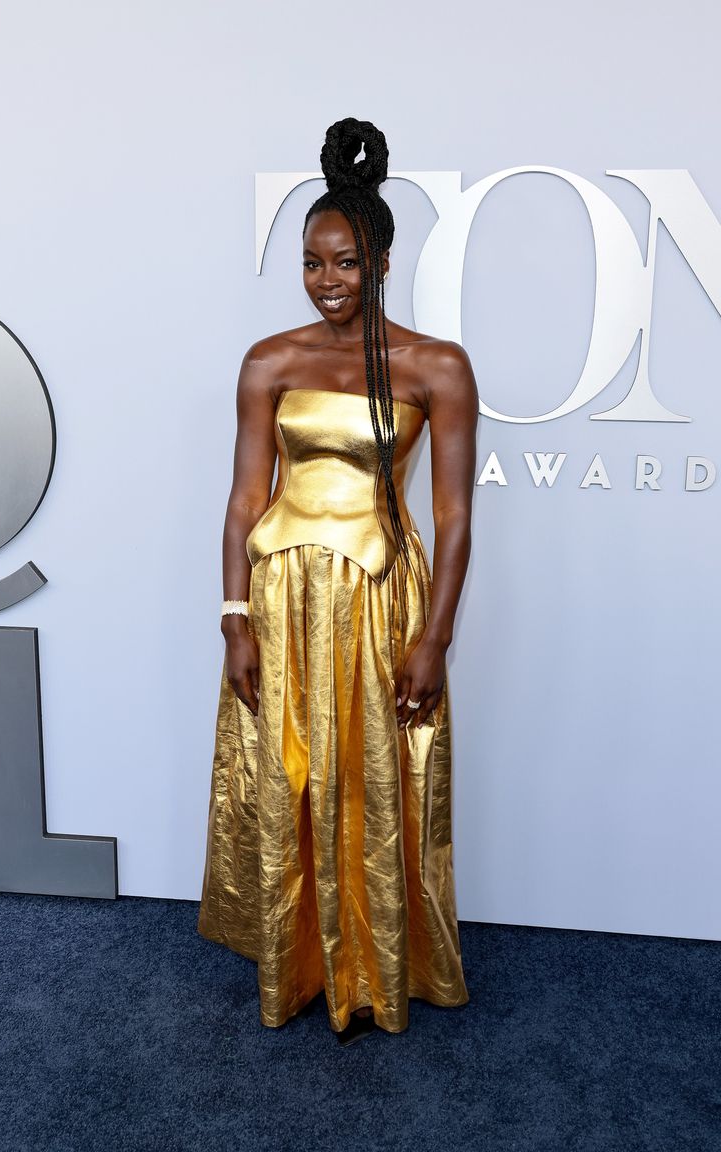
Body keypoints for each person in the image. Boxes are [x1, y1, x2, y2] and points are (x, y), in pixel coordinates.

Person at [198, 117, 478, 1046]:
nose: (328, 282)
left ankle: (371, 966)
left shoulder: (436, 366)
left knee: (374, 780)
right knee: (292, 779)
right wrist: (235, 617)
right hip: (281, 597)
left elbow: (453, 518)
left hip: (375, 598)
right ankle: (304, 962)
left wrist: (434, 639)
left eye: (347, 262)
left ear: (384, 259)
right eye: (314, 263)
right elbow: (246, 498)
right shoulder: (268, 361)